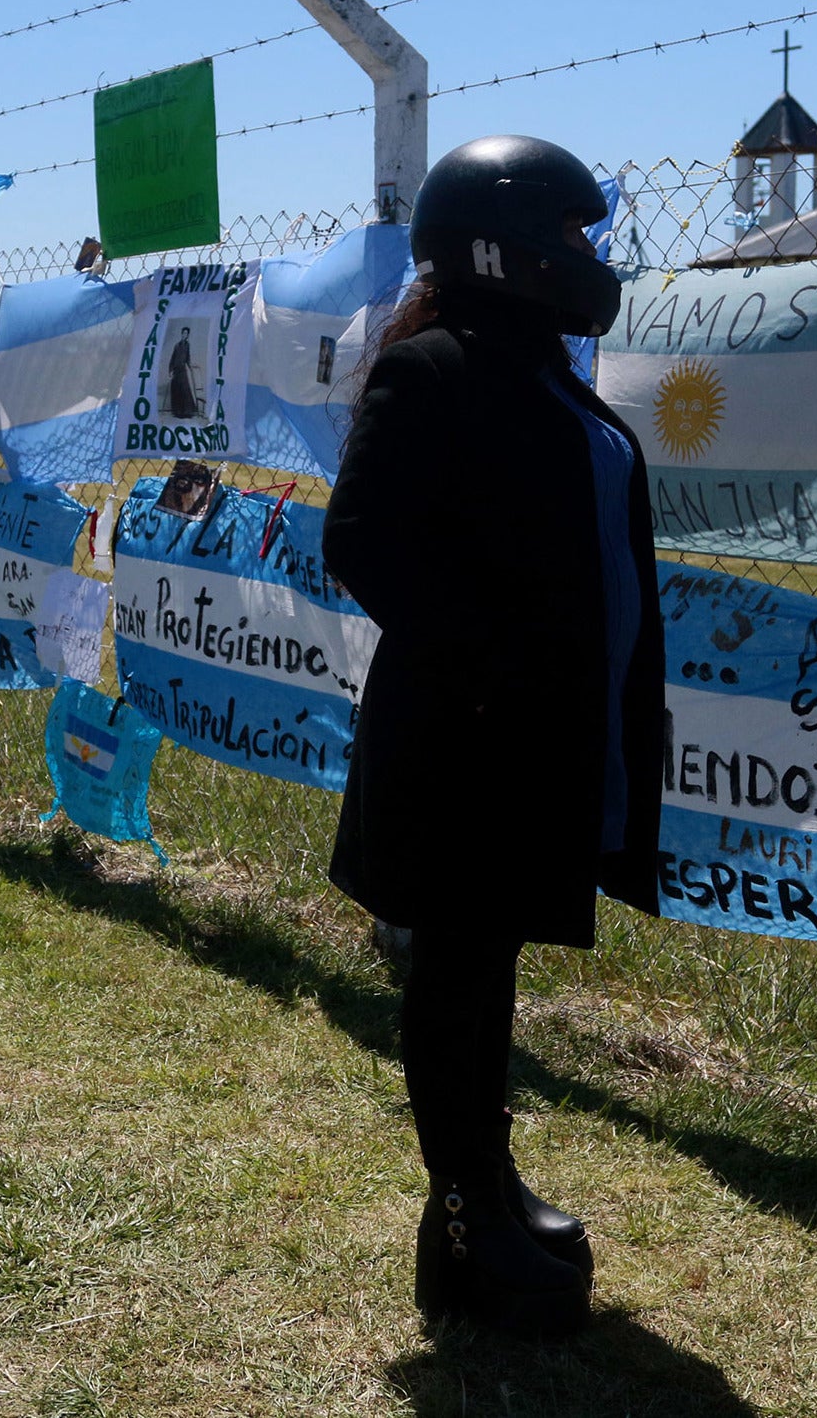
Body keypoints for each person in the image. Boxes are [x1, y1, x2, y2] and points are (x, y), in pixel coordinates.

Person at [322, 135, 665, 1336]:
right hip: (465, 750)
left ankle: (490, 1185)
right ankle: (460, 1222)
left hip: (534, 749)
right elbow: (361, 542)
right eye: (569, 236)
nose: (587, 259)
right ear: (500, 246)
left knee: (488, 970)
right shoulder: (436, 366)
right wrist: (494, 675)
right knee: (455, 979)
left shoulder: (536, 369)